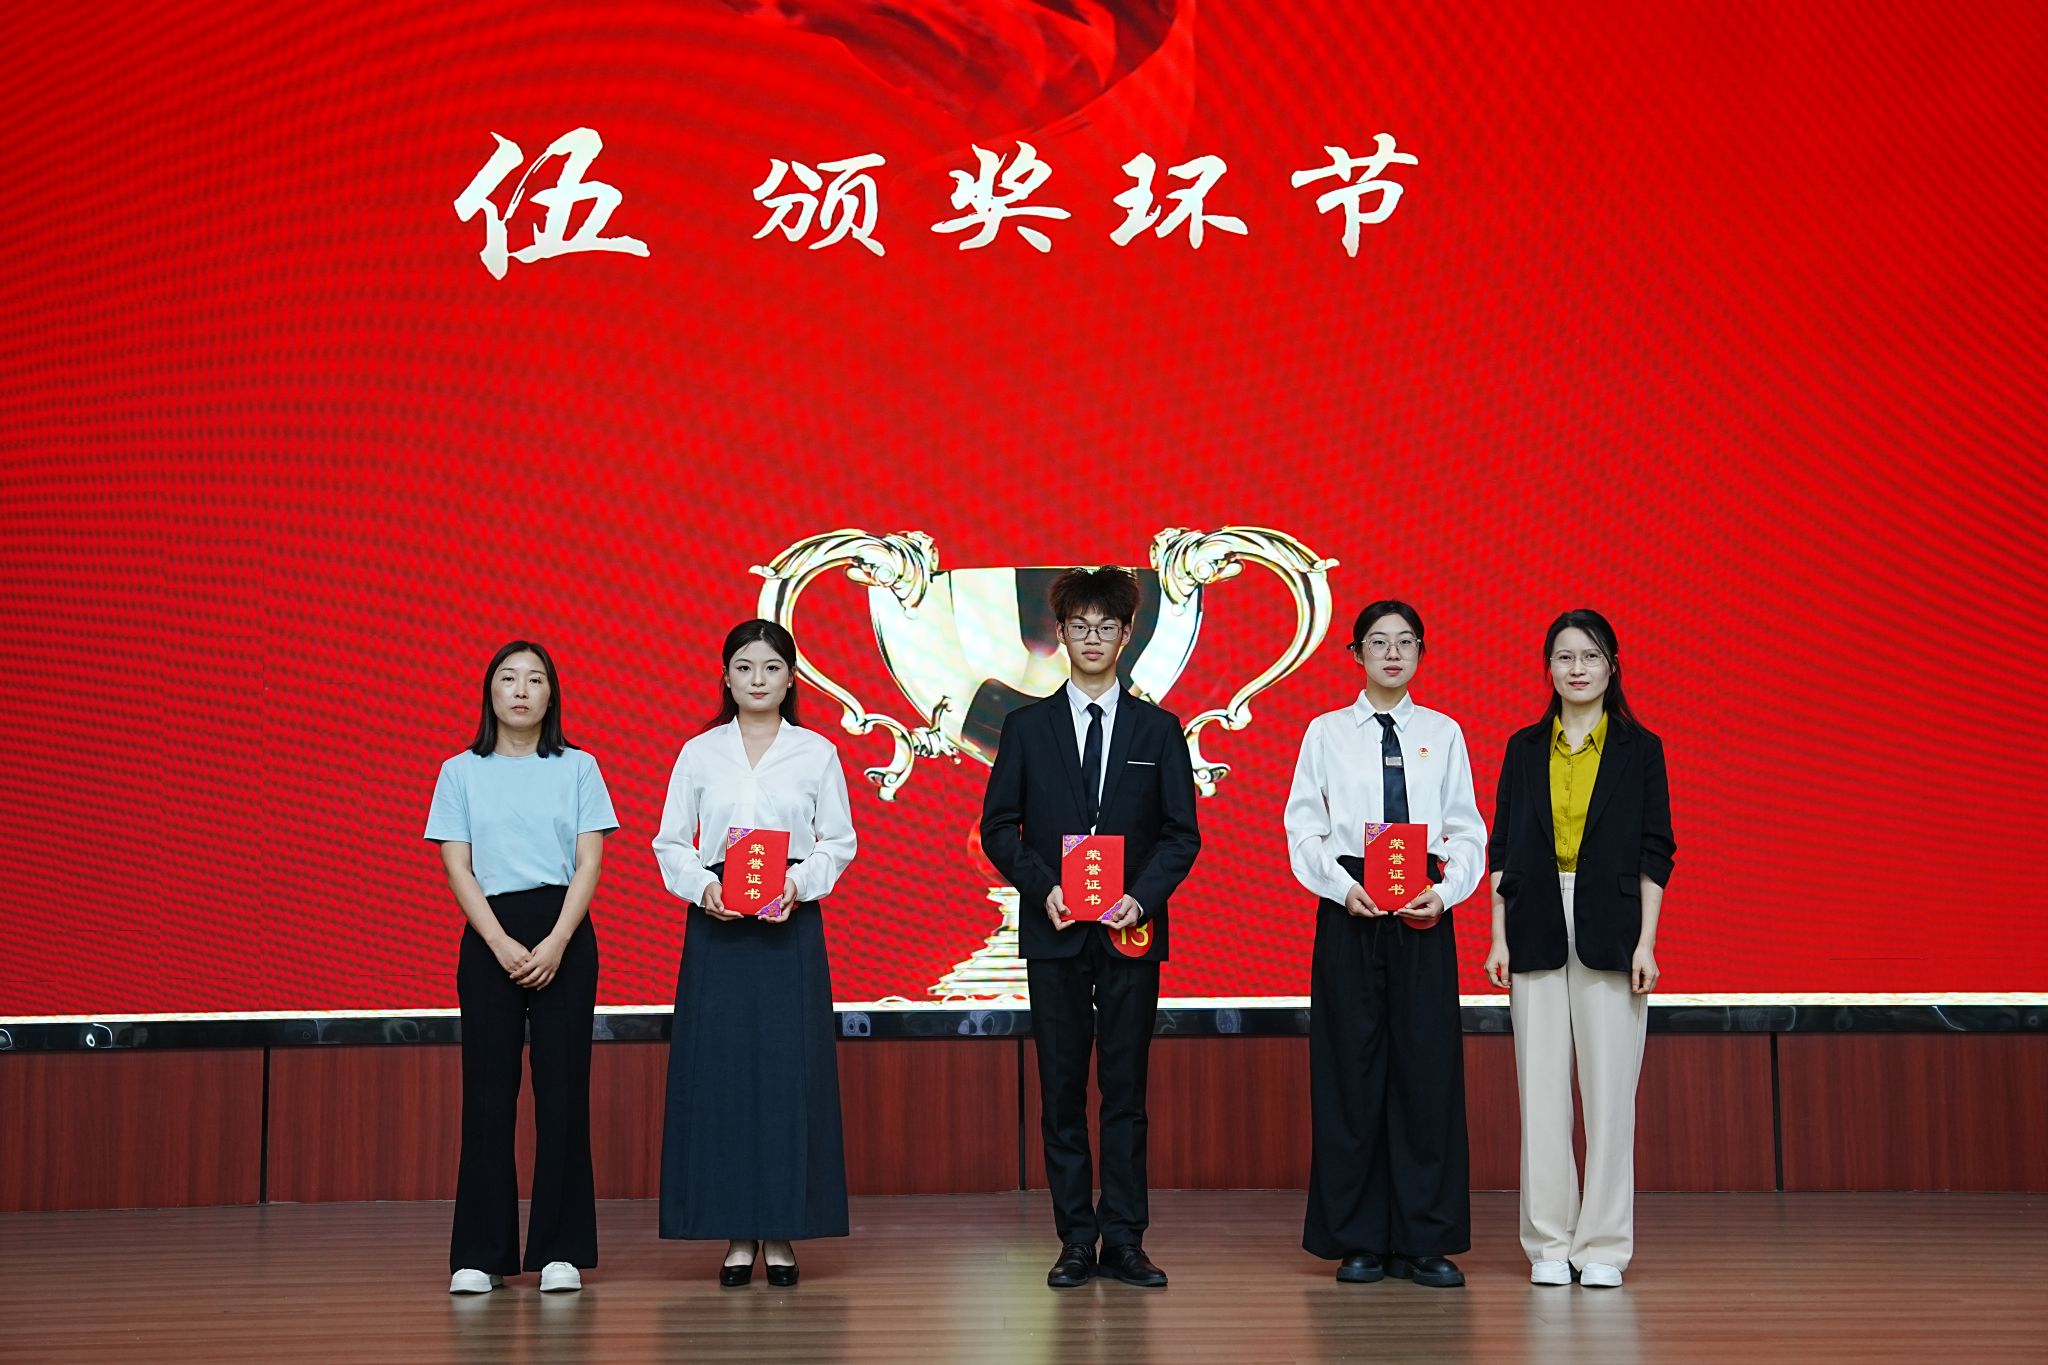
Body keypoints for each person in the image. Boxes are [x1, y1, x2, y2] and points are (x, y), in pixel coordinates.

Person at [980, 566, 1202, 1290]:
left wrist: (1141, 897)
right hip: (1055, 931)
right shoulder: (1026, 727)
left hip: (1130, 933)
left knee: (1126, 1090)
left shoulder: (1159, 729)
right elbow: (998, 827)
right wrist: (1043, 887)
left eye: (1107, 626)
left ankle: (1126, 1239)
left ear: (1127, 634)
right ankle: (1076, 1238)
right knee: (1062, 1090)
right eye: (1080, 626)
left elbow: (1181, 834)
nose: (1093, 638)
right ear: (1061, 633)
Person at [1285, 600, 1486, 1287]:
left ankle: (1425, 1239)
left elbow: (1466, 829)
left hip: (1423, 910)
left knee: (1427, 1072)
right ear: (1356, 654)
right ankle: (1360, 1238)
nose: (1392, 653)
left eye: (1405, 642)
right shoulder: (1325, 733)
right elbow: (1303, 828)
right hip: (1351, 909)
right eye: (1378, 642)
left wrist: (1447, 891)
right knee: (1351, 1070)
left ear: (1422, 652)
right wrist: (1340, 888)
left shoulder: (1443, 732)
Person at [652, 619, 857, 1287]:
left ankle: (783, 1230)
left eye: (771, 667)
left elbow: (839, 841)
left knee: (788, 1075)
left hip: (788, 923)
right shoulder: (699, 752)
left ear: (791, 678)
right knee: (723, 1076)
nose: (758, 679)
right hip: (718, 925)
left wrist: (798, 884)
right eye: (745, 667)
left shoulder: (817, 752)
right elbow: (671, 842)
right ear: (726, 677)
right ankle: (738, 1233)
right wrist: (703, 888)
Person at [1484, 610, 1675, 1289]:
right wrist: (1497, 936)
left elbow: (1656, 850)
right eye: (1564, 657)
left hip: (1613, 927)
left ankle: (1603, 1245)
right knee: (1541, 1094)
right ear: (1549, 668)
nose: (1577, 669)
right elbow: (1502, 847)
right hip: (1534, 919)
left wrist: (1647, 942)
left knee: (1609, 1094)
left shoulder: (1639, 748)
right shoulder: (1524, 747)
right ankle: (1549, 1241)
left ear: (1612, 666)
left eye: (1590, 656)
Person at [425, 640, 617, 1295]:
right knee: (487, 1095)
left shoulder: (579, 767)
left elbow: (589, 861)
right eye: (509, 678)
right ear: (490, 691)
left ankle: (560, 1251)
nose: (521, 690)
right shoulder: (459, 772)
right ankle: (479, 1254)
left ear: (551, 694)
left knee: (563, 1094)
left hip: (564, 931)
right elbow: (457, 865)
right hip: (490, 933)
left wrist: (558, 940)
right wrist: (499, 942)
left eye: (535, 679)